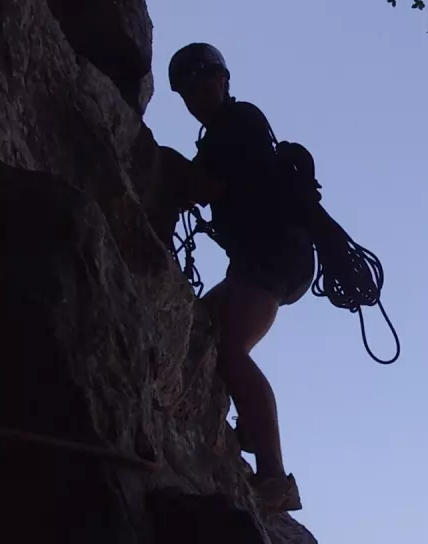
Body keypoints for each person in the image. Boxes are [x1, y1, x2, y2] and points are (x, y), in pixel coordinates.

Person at [167, 42, 314, 514]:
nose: (200, 88)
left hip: (272, 257)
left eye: (207, 77)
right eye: (190, 85)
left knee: (224, 345)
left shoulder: (236, 123)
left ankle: (273, 476)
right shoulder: (227, 130)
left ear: (225, 80)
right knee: (204, 327)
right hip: (268, 256)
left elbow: (201, 187)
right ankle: (241, 431)